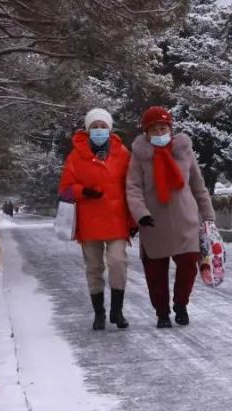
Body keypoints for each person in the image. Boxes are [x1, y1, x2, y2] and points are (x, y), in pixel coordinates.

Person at [127, 106, 216, 328]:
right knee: (156, 274)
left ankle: (181, 305)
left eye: (163, 127)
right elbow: (133, 189)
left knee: (188, 267)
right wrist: (141, 215)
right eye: (154, 129)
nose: (160, 133)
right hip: (154, 223)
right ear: (146, 133)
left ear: (171, 128)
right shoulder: (139, 157)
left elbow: (198, 186)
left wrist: (208, 217)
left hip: (186, 221)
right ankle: (162, 313)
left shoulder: (184, 152)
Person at [59, 107, 135, 331]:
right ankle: (99, 313)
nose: (99, 130)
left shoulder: (123, 154)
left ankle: (117, 311)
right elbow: (64, 190)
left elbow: (132, 187)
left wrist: (134, 220)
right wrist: (84, 191)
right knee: (93, 267)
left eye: (103, 126)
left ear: (110, 129)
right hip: (89, 221)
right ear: (88, 129)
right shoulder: (76, 156)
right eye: (95, 126)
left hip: (117, 220)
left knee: (117, 263)